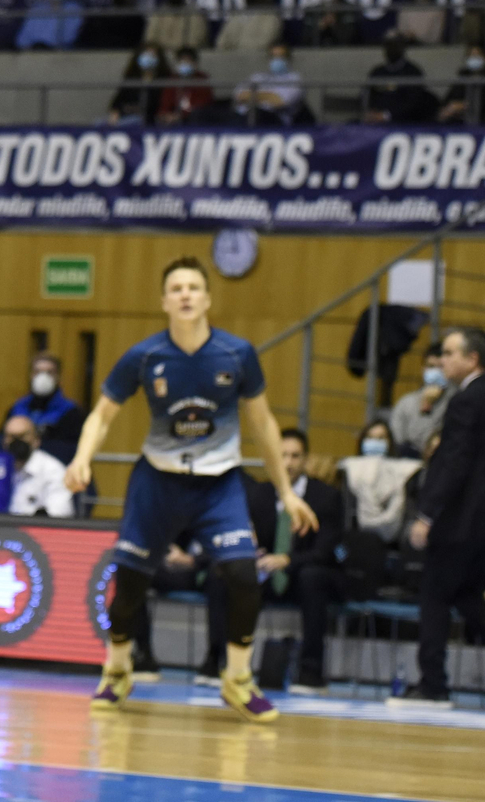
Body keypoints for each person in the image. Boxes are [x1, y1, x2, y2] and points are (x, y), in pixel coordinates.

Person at [66, 256, 317, 722]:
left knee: (243, 576)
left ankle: (237, 678)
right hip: (157, 482)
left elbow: (263, 423)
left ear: (207, 299)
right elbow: (101, 414)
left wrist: (286, 491)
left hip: (218, 484)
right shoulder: (145, 357)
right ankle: (117, 669)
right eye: (176, 288)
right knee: (130, 586)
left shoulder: (237, 354)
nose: (185, 295)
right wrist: (83, 458)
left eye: (193, 288)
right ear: (164, 301)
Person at [395, 328, 485, 707]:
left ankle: (433, 684)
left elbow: (454, 463)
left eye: (451, 353)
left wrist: (427, 513)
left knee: (434, 594)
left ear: (472, 359)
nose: (443, 360)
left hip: (461, 520)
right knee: (465, 591)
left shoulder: (465, 401)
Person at [237, 429, 345, 693]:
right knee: (233, 575)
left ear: (306, 459)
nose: (288, 462)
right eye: (282, 455)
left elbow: (325, 551)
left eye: (295, 456)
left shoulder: (326, 496)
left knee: (312, 577)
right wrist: (254, 555)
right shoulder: (258, 494)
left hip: (307, 575)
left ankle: (311, 672)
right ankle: (226, 665)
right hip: (268, 574)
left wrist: (287, 559)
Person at [337, 420, 421, 544]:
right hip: (358, 537)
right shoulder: (351, 468)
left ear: (389, 441)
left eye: (381, 438)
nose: (375, 442)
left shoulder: (403, 470)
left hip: (396, 532)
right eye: (370, 437)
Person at [4, 352, 86, 453]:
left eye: (49, 372)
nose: (43, 377)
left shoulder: (71, 412)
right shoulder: (17, 408)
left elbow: (71, 449)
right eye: (37, 372)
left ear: (58, 377)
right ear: (31, 375)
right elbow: (2, 440)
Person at [2, 415, 73, 517]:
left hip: (35, 526)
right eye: (11, 437)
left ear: (36, 440)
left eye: (22, 436)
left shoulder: (53, 471)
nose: (16, 442)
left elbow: (58, 515)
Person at [390, 344, 453, 458]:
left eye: (441, 367)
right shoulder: (405, 403)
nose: (435, 371)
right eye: (431, 366)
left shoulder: (455, 401)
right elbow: (399, 443)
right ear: (423, 369)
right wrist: (425, 406)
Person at [364, 34, 438, 124]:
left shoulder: (412, 72)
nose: (392, 49)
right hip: (376, 122)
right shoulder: (377, 72)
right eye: (389, 45)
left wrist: (386, 116)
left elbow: (414, 102)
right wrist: (372, 113)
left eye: (395, 45)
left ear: (402, 48)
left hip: (405, 123)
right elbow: (368, 96)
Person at [233, 43, 306, 124]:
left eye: (281, 56)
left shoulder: (295, 79)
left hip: (275, 119)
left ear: (288, 59)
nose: (277, 60)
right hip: (246, 115)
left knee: (257, 114)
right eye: (273, 56)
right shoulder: (258, 77)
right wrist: (268, 96)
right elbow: (240, 96)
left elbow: (280, 102)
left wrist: (252, 96)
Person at [440, 43, 485, 124]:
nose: (474, 58)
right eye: (471, 55)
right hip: (461, 123)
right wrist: (448, 109)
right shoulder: (462, 78)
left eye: (477, 55)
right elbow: (449, 99)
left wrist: (463, 105)